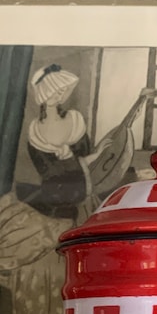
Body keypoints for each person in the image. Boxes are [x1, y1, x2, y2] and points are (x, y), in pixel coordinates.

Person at [23, 63, 111, 221]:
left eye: (59, 92)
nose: (56, 96)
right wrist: (70, 160)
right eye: (51, 92)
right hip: (54, 193)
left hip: (82, 187)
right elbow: (47, 172)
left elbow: (85, 156)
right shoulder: (35, 131)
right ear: (43, 96)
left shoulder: (74, 119)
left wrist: (97, 155)